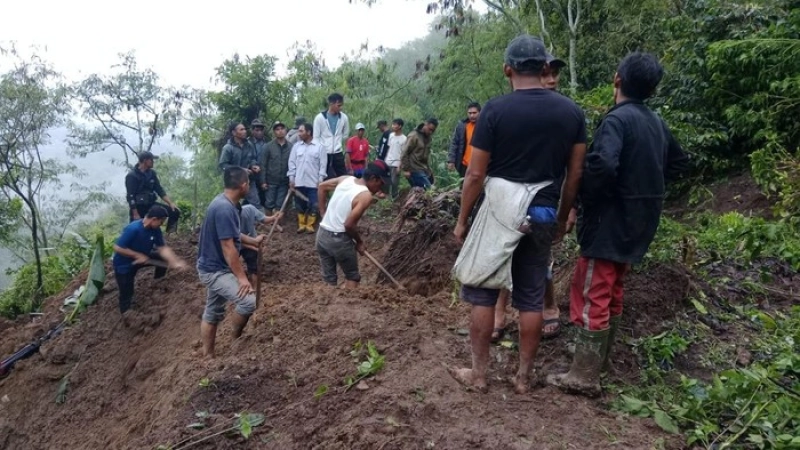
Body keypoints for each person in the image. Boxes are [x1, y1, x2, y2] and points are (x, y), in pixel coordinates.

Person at [450, 34, 587, 394]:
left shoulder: (495, 110)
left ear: (507, 70)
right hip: (542, 213)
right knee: (530, 295)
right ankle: (524, 378)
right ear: (545, 68)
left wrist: (462, 220)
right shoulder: (571, 112)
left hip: (498, 213)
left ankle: (479, 376)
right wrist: (560, 216)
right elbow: (575, 173)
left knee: (481, 289)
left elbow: (476, 174)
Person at [548, 52, 689, 397]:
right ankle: (599, 361)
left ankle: (583, 375)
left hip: (610, 220)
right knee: (614, 287)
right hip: (642, 220)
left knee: (592, 287)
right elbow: (679, 164)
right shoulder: (656, 122)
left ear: (617, 80)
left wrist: (586, 200)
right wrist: (646, 189)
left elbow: (604, 166)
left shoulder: (616, 121)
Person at [492, 53, 568, 343]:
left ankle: (548, 305)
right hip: (510, 201)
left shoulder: (564, 112)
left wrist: (569, 207)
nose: (551, 79)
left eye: (554, 74)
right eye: (546, 73)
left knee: (539, 260)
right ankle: (500, 313)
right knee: (504, 256)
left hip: (547, 201)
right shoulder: (511, 109)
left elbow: (573, 168)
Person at [197, 167, 265, 359]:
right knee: (249, 302)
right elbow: (228, 247)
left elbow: (232, 234)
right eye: (249, 184)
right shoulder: (225, 208)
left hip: (214, 266)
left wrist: (252, 241)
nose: (249, 187)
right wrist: (242, 279)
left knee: (213, 310)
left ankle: (207, 355)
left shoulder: (226, 203)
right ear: (243, 186)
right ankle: (235, 340)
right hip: (215, 270)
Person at [317, 161, 391, 288]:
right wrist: (359, 242)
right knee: (352, 276)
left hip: (322, 235)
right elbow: (349, 225)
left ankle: (328, 305)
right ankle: (348, 306)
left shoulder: (345, 179)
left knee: (329, 280)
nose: (380, 188)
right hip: (339, 240)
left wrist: (323, 213)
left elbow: (322, 187)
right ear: (373, 178)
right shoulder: (365, 196)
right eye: (381, 183)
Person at [113, 205, 186, 314]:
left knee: (162, 259)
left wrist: (174, 261)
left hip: (144, 256)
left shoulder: (155, 229)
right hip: (124, 265)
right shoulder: (133, 229)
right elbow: (117, 247)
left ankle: (158, 282)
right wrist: (137, 255)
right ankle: (127, 315)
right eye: (161, 222)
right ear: (154, 219)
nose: (161, 225)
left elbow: (163, 248)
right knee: (127, 293)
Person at [125, 151, 180, 233]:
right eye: (151, 160)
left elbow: (159, 190)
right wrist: (135, 213)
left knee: (174, 211)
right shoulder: (131, 176)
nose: (153, 162)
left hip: (151, 205)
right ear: (145, 160)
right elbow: (130, 196)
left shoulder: (152, 174)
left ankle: (170, 235)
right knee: (135, 230)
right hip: (138, 207)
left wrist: (170, 203)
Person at [288, 123, 327, 234]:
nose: (299, 134)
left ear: (309, 132)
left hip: (313, 183)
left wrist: (320, 180)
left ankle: (310, 225)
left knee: (314, 204)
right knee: (299, 204)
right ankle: (301, 224)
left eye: (301, 131)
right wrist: (292, 178)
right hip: (299, 182)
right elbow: (292, 163)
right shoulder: (296, 147)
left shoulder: (320, 147)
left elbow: (322, 166)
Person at [219, 122, 261, 210]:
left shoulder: (249, 145)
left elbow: (253, 158)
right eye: (241, 129)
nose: (245, 131)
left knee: (255, 203)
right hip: (233, 182)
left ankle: (255, 223)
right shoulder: (228, 148)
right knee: (232, 204)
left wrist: (253, 165)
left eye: (245, 129)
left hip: (248, 180)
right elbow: (223, 165)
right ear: (234, 133)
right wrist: (241, 170)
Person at [239, 204, 282, 287]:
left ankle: (254, 289)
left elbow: (264, 219)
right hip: (237, 244)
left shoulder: (249, 209)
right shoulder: (230, 218)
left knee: (253, 267)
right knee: (231, 265)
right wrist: (255, 247)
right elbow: (235, 240)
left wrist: (274, 217)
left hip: (250, 242)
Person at [261, 121, 293, 229]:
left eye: (282, 128)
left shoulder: (291, 147)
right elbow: (263, 165)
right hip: (271, 180)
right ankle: (268, 223)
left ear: (286, 130)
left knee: (280, 203)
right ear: (274, 132)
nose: (280, 131)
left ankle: (277, 223)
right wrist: (263, 181)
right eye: (277, 129)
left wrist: (292, 180)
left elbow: (294, 164)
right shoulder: (268, 147)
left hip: (284, 181)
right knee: (269, 203)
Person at [313, 93, 350, 179]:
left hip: (338, 152)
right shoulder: (320, 118)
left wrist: (339, 144)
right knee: (323, 177)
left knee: (343, 177)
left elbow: (345, 134)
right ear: (331, 104)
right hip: (324, 153)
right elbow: (316, 137)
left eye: (341, 105)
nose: (340, 108)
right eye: (338, 105)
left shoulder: (343, 117)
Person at [400, 118, 438, 190]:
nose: (430, 132)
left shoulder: (428, 138)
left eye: (432, 131)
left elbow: (425, 156)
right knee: (429, 189)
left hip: (423, 168)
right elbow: (404, 153)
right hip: (414, 168)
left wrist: (429, 170)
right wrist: (406, 169)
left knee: (431, 184)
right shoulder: (414, 136)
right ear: (425, 124)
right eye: (429, 129)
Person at [447, 102, 481, 178]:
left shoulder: (484, 125)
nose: (472, 115)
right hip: (464, 164)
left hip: (480, 164)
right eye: (470, 113)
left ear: (480, 112)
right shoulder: (462, 126)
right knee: (464, 187)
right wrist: (451, 160)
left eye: (474, 113)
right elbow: (454, 143)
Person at [384, 119, 407, 199]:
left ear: (400, 126)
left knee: (394, 182)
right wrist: (385, 160)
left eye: (395, 124)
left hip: (396, 163)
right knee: (386, 181)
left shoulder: (404, 139)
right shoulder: (391, 135)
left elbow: (403, 154)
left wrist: (399, 166)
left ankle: (394, 198)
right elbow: (389, 148)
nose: (393, 126)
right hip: (388, 161)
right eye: (393, 124)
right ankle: (386, 198)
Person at [249, 118, 269, 210]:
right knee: (253, 197)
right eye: (257, 130)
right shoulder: (248, 143)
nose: (259, 132)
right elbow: (247, 158)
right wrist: (252, 165)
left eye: (261, 130)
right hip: (252, 174)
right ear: (252, 131)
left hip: (265, 174)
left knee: (264, 196)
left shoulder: (267, 142)